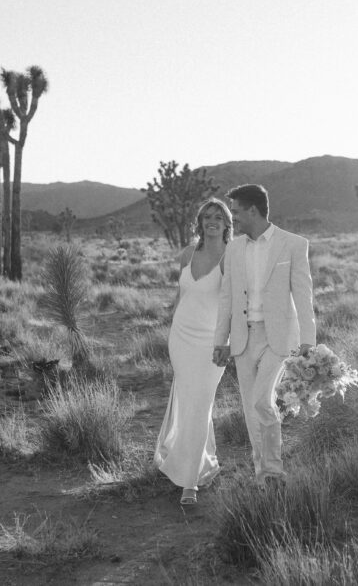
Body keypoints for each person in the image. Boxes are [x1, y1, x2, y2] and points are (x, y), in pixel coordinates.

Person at [212, 184, 316, 485]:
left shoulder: (293, 244)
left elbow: (303, 293)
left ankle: (273, 469)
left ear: (253, 211)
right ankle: (264, 474)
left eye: (237, 212)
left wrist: (308, 341)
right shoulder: (233, 248)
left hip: (279, 338)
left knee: (261, 401)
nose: (234, 220)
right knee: (250, 408)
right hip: (244, 337)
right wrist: (221, 341)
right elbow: (227, 298)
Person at [155, 198, 232, 506]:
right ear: (200, 222)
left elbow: (234, 305)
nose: (212, 220)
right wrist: (170, 327)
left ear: (227, 223)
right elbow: (181, 293)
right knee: (189, 401)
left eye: (218, 216)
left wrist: (226, 343)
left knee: (201, 403)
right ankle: (186, 461)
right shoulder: (188, 253)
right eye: (207, 216)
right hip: (181, 337)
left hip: (211, 342)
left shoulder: (231, 256)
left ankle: (190, 483)